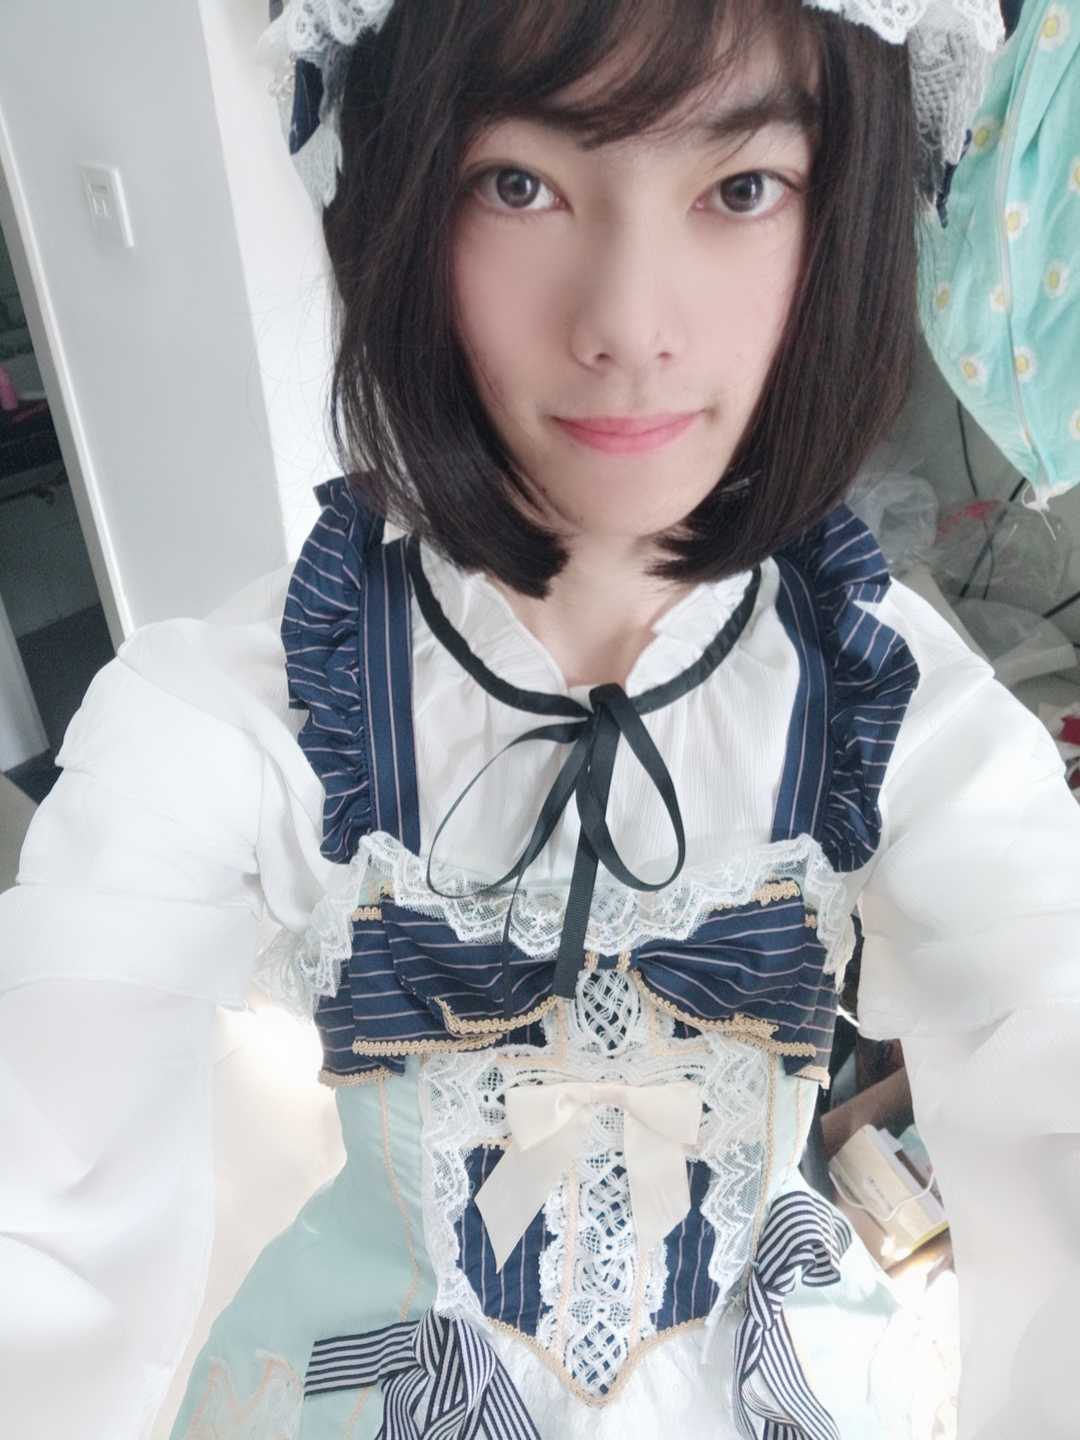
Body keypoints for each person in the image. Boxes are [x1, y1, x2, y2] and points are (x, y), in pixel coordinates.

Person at [2, 1, 1079, 1437]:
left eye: (740, 188)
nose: (626, 324)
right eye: (519, 183)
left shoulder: (895, 707)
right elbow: (41, 1179)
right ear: (393, 190)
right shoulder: (251, 707)